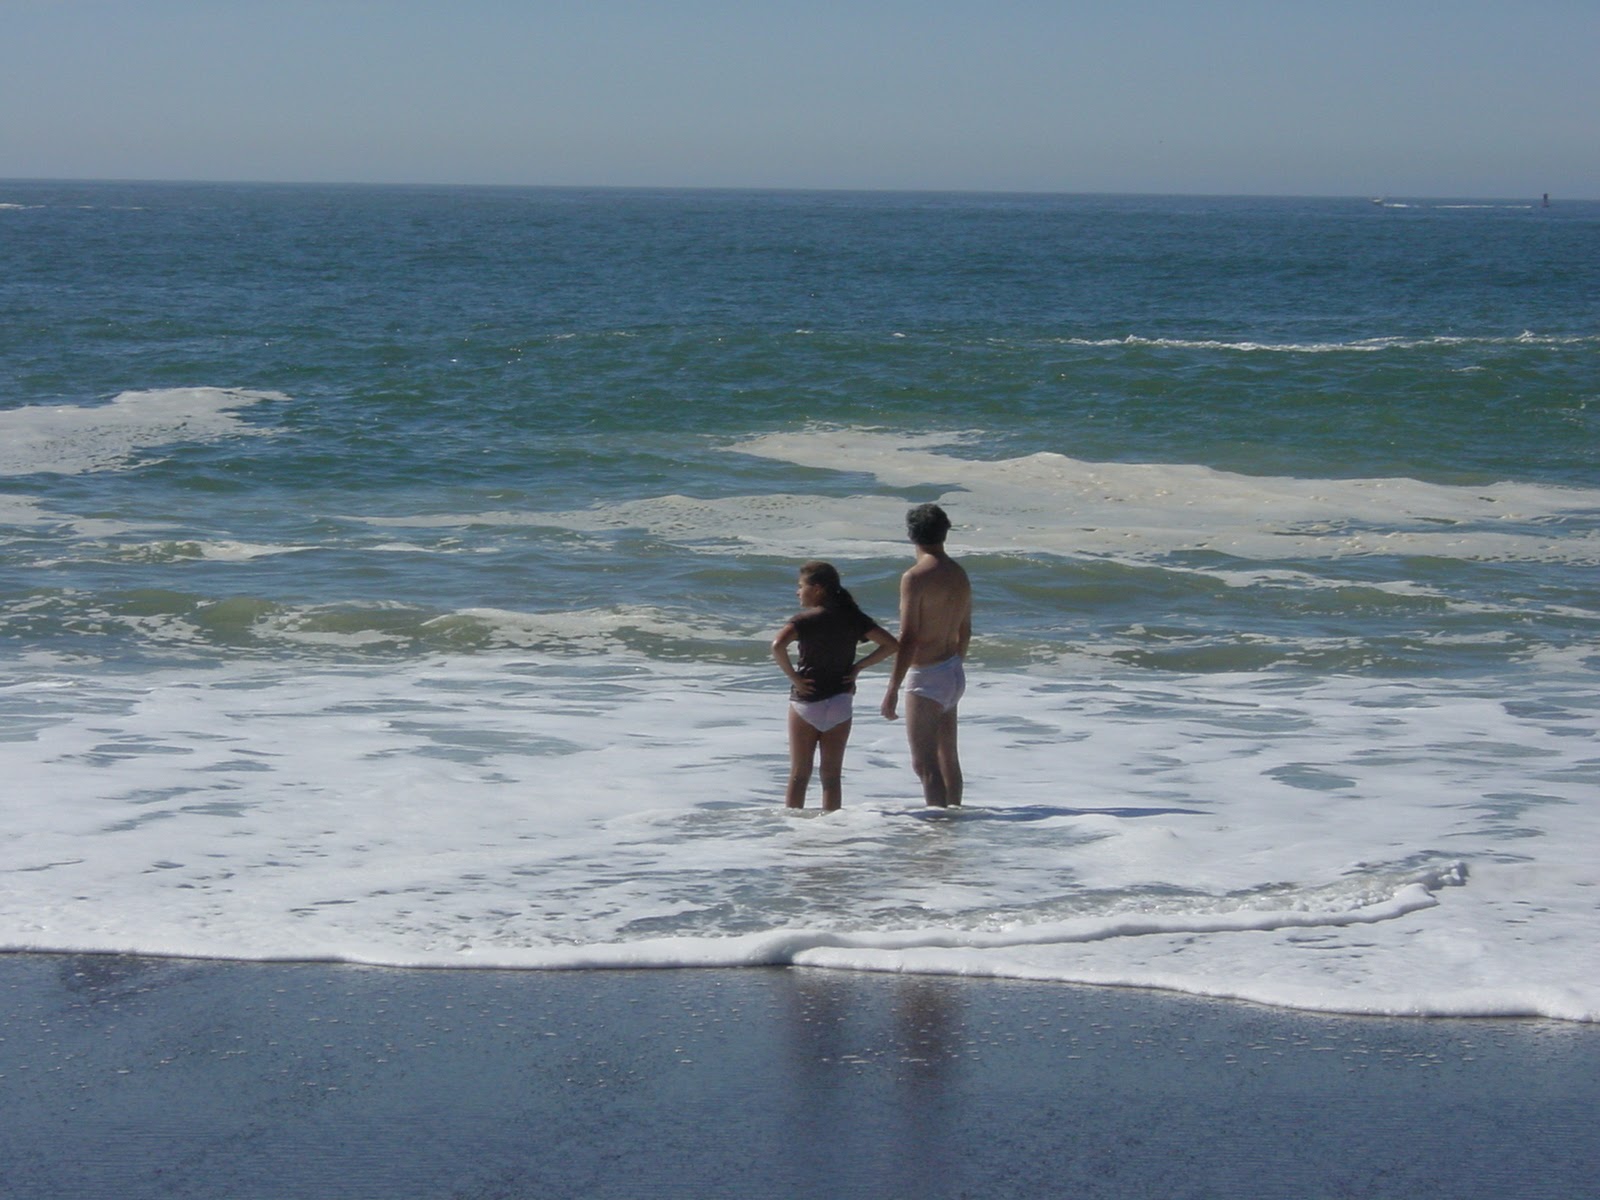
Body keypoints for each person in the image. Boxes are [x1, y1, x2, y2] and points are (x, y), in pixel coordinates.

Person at [771, 561, 898, 811]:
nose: (798, 592)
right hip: (841, 701)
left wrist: (795, 679)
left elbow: (777, 646)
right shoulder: (853, 617)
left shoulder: (804, 620)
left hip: (807, 701)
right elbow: (891, 644)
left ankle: (791, 836)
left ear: (817, 589)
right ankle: (833, 833)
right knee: (831, 777)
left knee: (799, 775)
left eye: (801, 586)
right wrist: (858, 667)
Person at [881, 504, 971, 807]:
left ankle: (936, 835)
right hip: (952, 669)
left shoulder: (915, 577)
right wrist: (955, 665)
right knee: (949, 759)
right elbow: (965, 629)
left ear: (911, 535)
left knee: (924, 764)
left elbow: (908, 636)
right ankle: (953, 824)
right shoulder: (959, 573)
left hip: (927, 674)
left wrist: (892, 687)